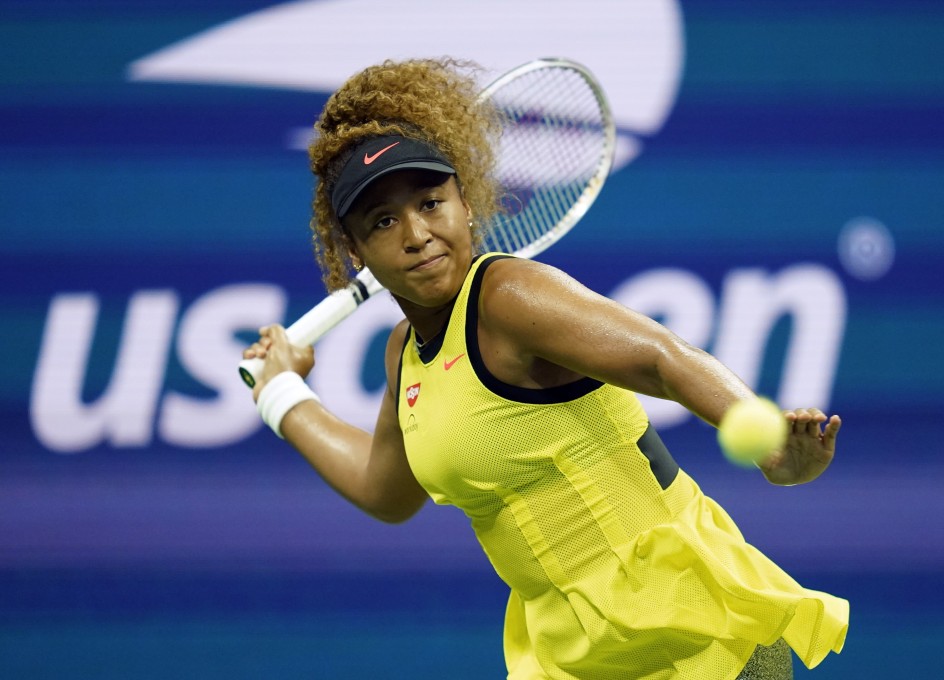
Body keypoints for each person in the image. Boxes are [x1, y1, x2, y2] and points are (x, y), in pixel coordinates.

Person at [244, 57, 849, 680]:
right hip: (572, 654)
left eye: (431, 202)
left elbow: (663, 359)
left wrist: (768, 442)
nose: (418, 233)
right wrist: (282, 393)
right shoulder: (406, 354)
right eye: (384, 221)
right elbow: (386, 490)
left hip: (689, 633)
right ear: (355, 251)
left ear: (467, 204)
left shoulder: (509, 297)